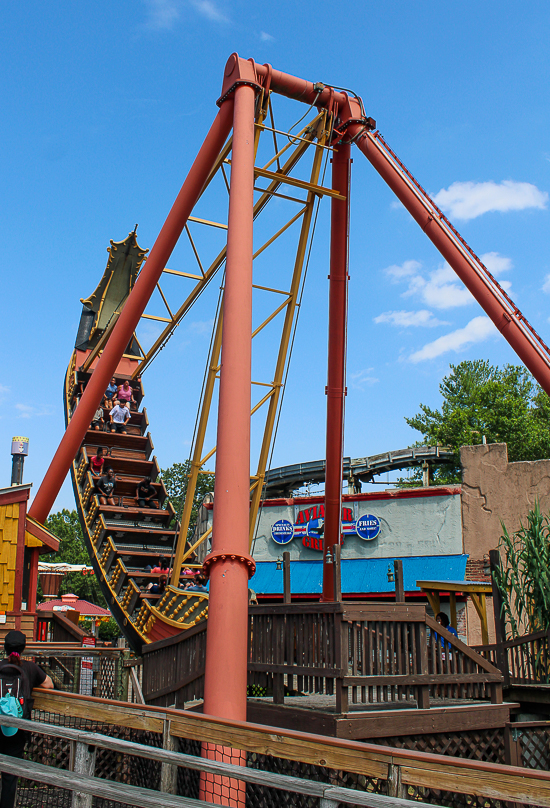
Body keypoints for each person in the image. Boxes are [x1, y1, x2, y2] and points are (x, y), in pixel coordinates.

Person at [0, 630, 54, 808]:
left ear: (5, 648)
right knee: (10, 776)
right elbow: (49, 684)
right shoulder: (30, 668)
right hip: (17, 729)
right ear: (23, 649)